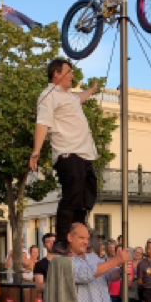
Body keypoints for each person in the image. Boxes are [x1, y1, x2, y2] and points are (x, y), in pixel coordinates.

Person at [30, 58, 99, 250]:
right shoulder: (49, 95)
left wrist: (92, 90)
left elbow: (81, 97)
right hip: (68, 154)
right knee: (72, 196)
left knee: (87, 198)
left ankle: (77, 236)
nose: (72, 76)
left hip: (85, 155)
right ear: (57, 74)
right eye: (68, 72)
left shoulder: (69, 96)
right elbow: (42, 122)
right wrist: (36, 151)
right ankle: (61, 240)